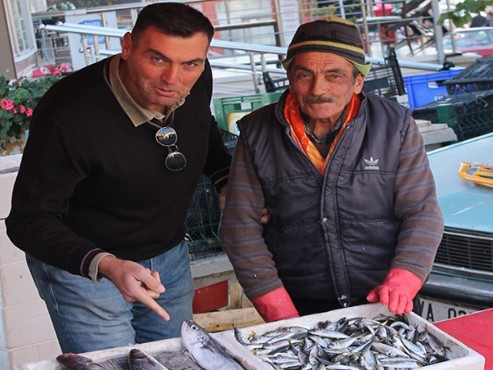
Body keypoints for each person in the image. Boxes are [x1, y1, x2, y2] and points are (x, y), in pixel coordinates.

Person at [5, 2, 232, 353]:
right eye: (157, 59)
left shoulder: (196, 78)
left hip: (169, 257)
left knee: (175, 360)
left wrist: (224, 178)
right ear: (127, 46)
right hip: (87, 271)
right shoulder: (67, 115)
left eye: (190, 63)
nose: (173, 79)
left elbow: (202, 126)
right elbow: (27, 220)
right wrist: (107, 264)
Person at [219, 16, 444, 322]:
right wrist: (280, 311)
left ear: (357, 82)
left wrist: (404, 279)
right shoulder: (257, 132)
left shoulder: (395, 125)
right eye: (304, 74)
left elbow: (421, 211)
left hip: (383, 296)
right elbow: (239, 226)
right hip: (296, 302)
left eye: (334, 75)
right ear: (290, 77)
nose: (317, 88)